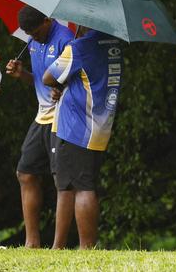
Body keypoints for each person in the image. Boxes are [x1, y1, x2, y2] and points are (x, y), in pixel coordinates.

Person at [43, 26, 123, 249]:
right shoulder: (113, 42)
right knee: (68, 185)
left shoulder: (79, 47)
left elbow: (48, 76)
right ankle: (58, 246)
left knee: (82, 186)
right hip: (100, 125)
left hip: (78, 127)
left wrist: (62, 78)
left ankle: (87, 247)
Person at [5, 6, 73, 248]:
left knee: (61, 179)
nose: (33, 37)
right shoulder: (33, 41)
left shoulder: (65, 38)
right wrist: (22, 74)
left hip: (62, 116)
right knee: (25, 173)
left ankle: (59, 245)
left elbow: (78, 74)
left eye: (35, 31)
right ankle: (31, 242)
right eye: (28, 34)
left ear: (47, 20)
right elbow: (38, 78)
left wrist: (63, 89)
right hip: (41, 116)